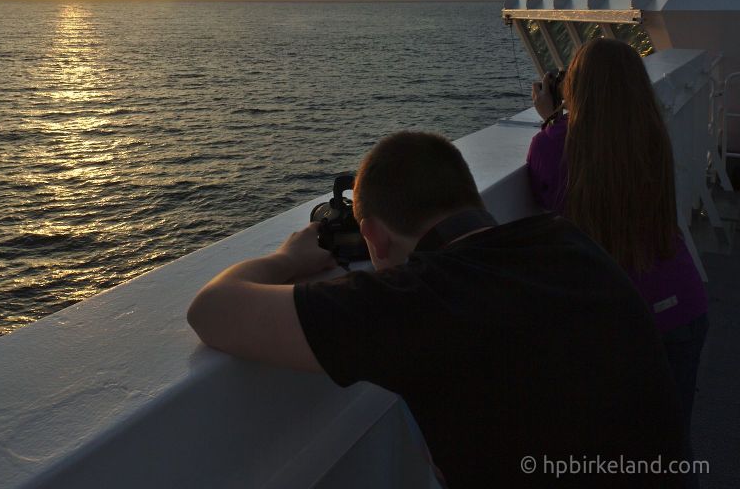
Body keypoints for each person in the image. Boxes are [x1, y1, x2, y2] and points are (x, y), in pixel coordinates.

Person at [189, 131, 685, 488]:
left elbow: (211, 309)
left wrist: (287, 259)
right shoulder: (570, 243)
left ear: (374, 237)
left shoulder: (421, 300)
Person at [528, 38, 708, 469]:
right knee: (672, 450)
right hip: (684, 306)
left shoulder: (555, 143)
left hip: (619, 319)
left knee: (614, 457)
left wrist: (551, 117)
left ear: (575, 88)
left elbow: (547, 195)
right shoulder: (652, 134)